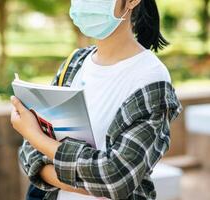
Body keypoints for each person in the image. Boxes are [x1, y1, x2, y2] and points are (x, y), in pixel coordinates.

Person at [10, 0, 183, 199]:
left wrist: (37, 138)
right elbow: (28, 154)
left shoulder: (150, 78)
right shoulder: (74, 63)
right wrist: (90, 180)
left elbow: (115, 177)